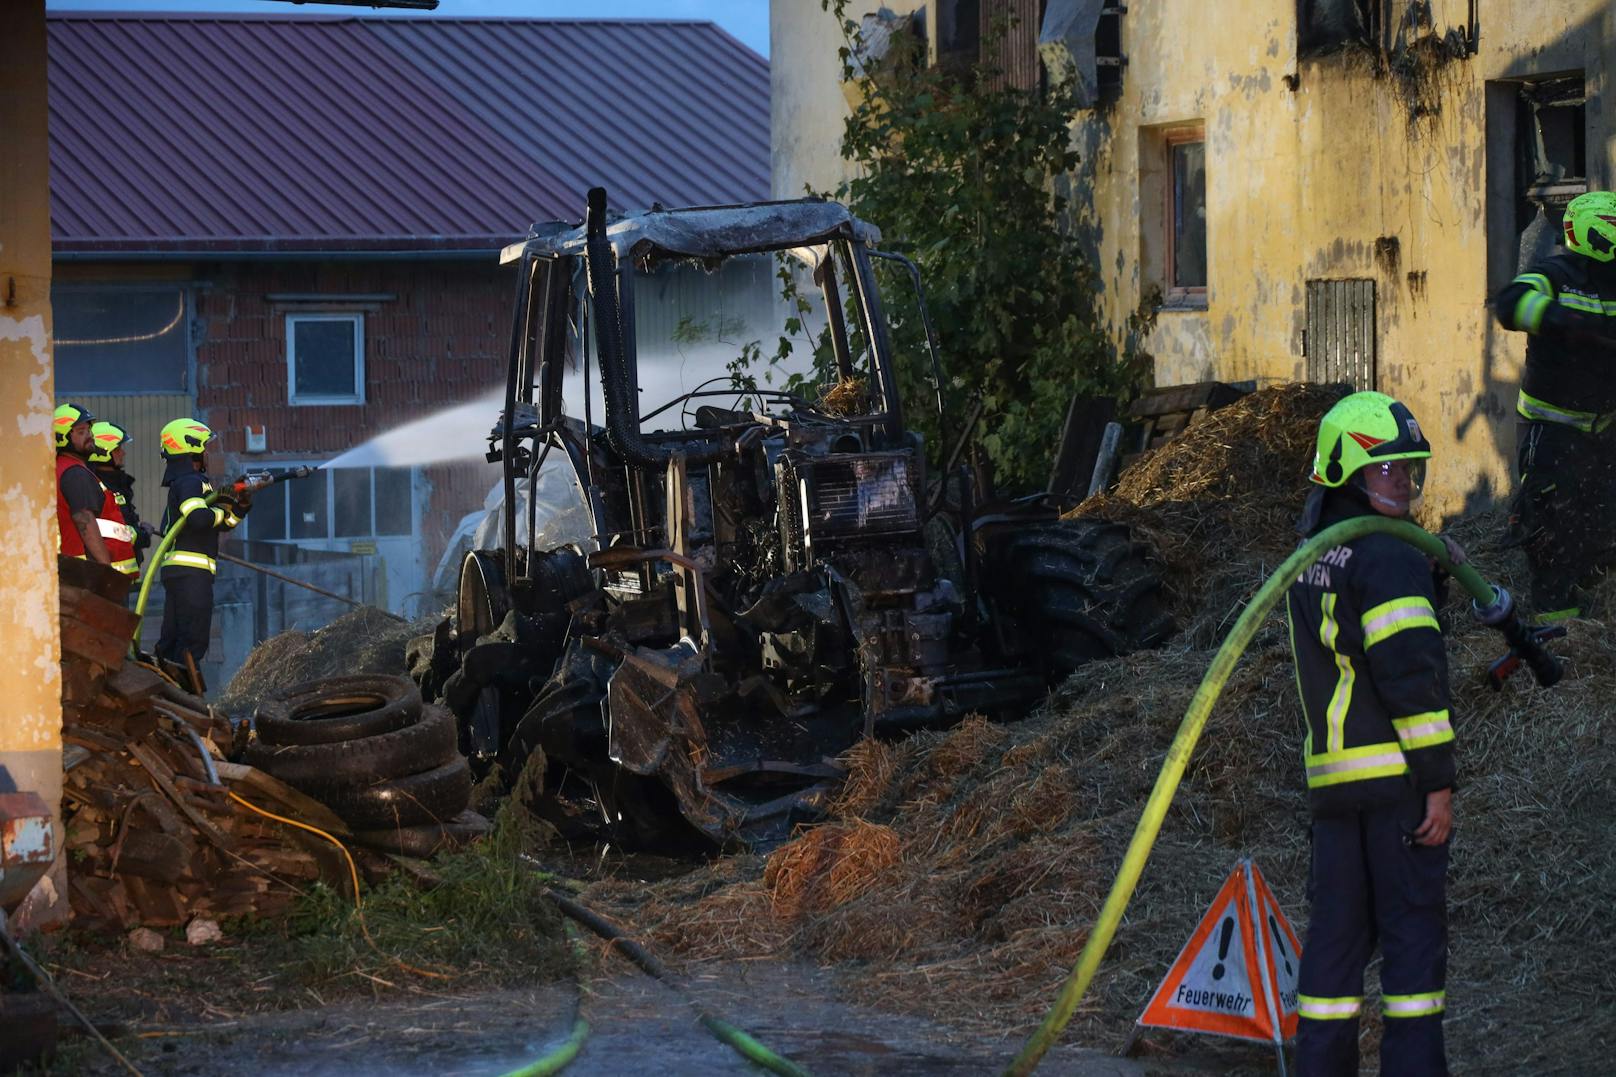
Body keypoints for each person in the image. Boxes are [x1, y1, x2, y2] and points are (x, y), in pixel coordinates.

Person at [1287, 391, 1458, 1077]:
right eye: (1386, 469)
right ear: (1345, 470)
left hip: (1335, 792)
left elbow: (1356, 637)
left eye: (1409, 469)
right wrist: (1439, 783)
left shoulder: (1314, 552)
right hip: (1396, 790)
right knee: (1413, 953)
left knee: (1333, 954)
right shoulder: (1390, 554)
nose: (1403, 483)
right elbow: (1410, 676)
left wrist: (1432, 573)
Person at [1493, 189, 1616, 623]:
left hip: (1605, 433)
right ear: (1589, 231)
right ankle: (1559, 638)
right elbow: (1509, 303)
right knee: (1551, 538)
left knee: (1601, 530)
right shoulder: (1554, 273)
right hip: (1552, 434)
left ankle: (1593, 618)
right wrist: (1566, 322)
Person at [156, 418, 249, 673]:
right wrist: (221, 508)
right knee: (192, 643)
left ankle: (165, 688)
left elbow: (221, 523)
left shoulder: (191, 481)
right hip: (191, 574)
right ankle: (185, 697)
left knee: (174, 639)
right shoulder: (190, 481)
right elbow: (198, 519)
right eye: (205, 447)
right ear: (192, 447)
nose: (208, 453)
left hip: (182, 573)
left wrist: (239, 507)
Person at [54, 403, 139, 577]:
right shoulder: (75, 473)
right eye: (81, 431)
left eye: (89, 430)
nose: (90, 436)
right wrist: (105, 571)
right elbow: (84, 519)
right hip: (87, 573)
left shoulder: (66, 468)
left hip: (79, 570)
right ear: (62, 437)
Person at [88, 421, 152, 569]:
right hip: (109, 572)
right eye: (117, 449)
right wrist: (142, 534)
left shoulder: (116, 484)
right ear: (102, 452)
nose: (123, 453)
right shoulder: (100, 486)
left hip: (119, 571)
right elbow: (112, 530)